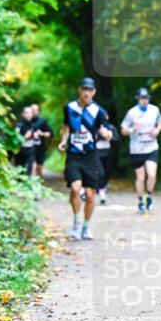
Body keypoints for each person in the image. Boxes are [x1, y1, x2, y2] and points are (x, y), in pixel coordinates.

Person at [58, 77, 113, 240]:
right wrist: (63, 141)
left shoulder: (99, 111)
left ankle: (86, 227)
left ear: (94, 92)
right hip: (74, 155)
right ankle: (76, 223)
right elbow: (66, 126)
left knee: (90, 194)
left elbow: (108, 131)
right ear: (79, 90)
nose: (87, 93)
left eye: (90, 90)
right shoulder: (69, 107)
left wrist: (106, 135)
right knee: (75, 188)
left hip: (90, 156)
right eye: (84, 89)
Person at [121, 88, 161, 214]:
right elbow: (123, 130)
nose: (144, 101)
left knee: (152, 174)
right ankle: (140, 201)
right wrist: (132, 129)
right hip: (136, 149)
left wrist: (157, 130)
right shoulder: (131, 113)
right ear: (138, 99)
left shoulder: (154, 110)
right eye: (142, 98)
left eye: (146, 98)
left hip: (151, 146)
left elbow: (160, 122)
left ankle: (149, 196)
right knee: (140, 177)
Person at [95, 113, 119, 204]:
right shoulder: (93, 128)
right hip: (96, 153)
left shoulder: (111, 128)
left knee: (106, 172)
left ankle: (103, 187)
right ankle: (101, 192)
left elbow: (117, 139)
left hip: (108, 154)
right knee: (100, 172)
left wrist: (109, 137)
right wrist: (100, 136)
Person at [29, 103, 54, 179]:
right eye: (32, 110)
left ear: (38, 111)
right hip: (28, 149)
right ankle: (31, 186)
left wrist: (42, 134)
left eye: (35, 110)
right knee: (32, 168)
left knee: (39, 169)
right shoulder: (25, 121)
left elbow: (51, 134)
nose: (33, 111)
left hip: (40, 149)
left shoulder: (42, 121)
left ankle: (40, 184)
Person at [15, 105, 36, 176]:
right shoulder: (19, 125)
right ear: (23, 114)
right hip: (20, 151)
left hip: (30, 151)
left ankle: (28, 184)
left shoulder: (33, 125)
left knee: (29, 170)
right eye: (27, 113)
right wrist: (24, 137)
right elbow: (15, 138)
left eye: (30, 113)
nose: (29, 115)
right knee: (19, 172)